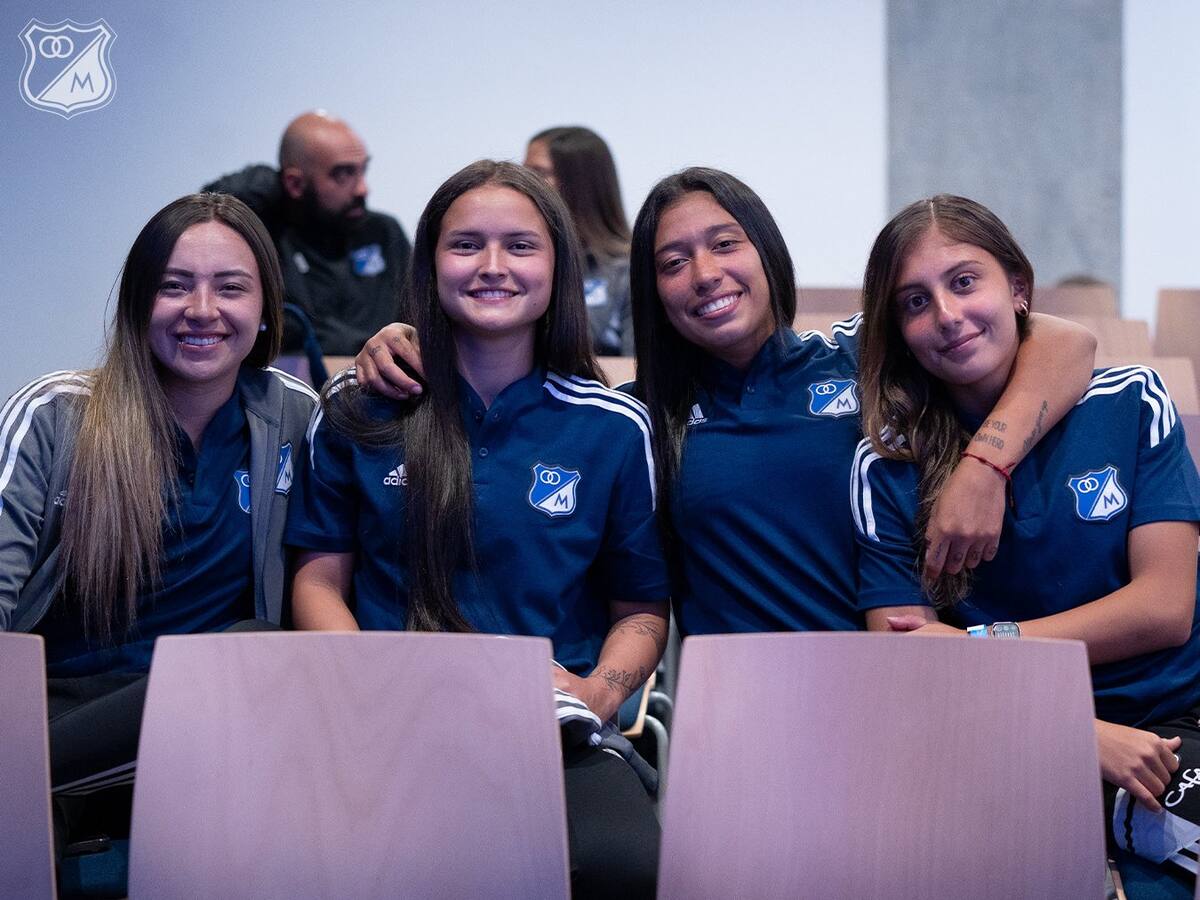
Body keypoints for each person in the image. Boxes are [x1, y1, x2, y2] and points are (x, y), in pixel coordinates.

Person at [353, 167, 1097, 639]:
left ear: (766, 252)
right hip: (747, 710)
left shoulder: (861, 354)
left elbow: (1065, 342)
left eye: (725, 244)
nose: (704, 274)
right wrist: (397, 338)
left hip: (901, 673)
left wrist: (985, 467)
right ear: (654, 293)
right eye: (673, 263)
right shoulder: (640, 419)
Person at [285, 160, 669, 898]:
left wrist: (596, 694)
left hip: (552, 734)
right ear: (430, 263)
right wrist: (371, 691)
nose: (493, 267)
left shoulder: (614, 427)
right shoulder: (356, 410)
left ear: (557, 265)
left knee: (629, 868)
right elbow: (318, 579)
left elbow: (642, 610)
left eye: (521, 246)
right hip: (384, 723)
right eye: (466, 245)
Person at [851, 194, 1200, 871]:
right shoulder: (887, 462)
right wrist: (1074, 732)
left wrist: (980, 645)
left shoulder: (1132, 402)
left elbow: (1164, 610)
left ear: (1018, 288)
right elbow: (906, 662)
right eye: (915, 303)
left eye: (963, 282)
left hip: (1175, 716)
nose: (947, 317)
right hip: (1002, 731)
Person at [0, 193, 317, 844]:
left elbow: (377, 431)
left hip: (209, 729)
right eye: (174, 287)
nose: (202, 311)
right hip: (53, 712)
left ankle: (19, 775)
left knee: (257, 648)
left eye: (230, 288)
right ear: (139, 303)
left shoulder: (293, 416)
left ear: (265, 312)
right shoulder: (56, 416)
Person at [204, 111, 412, 357]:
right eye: (343, 174)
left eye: (362, 170)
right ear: (294, 184)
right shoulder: (268, 241)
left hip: (394, 386)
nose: (362, 189)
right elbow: (212, 209)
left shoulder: (383, 233)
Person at [525, 126, 633, 355]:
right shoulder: (519, 263)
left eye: (538, 173)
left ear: (579, 183)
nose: (523, 185)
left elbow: (642, 373)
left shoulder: (631, 270)